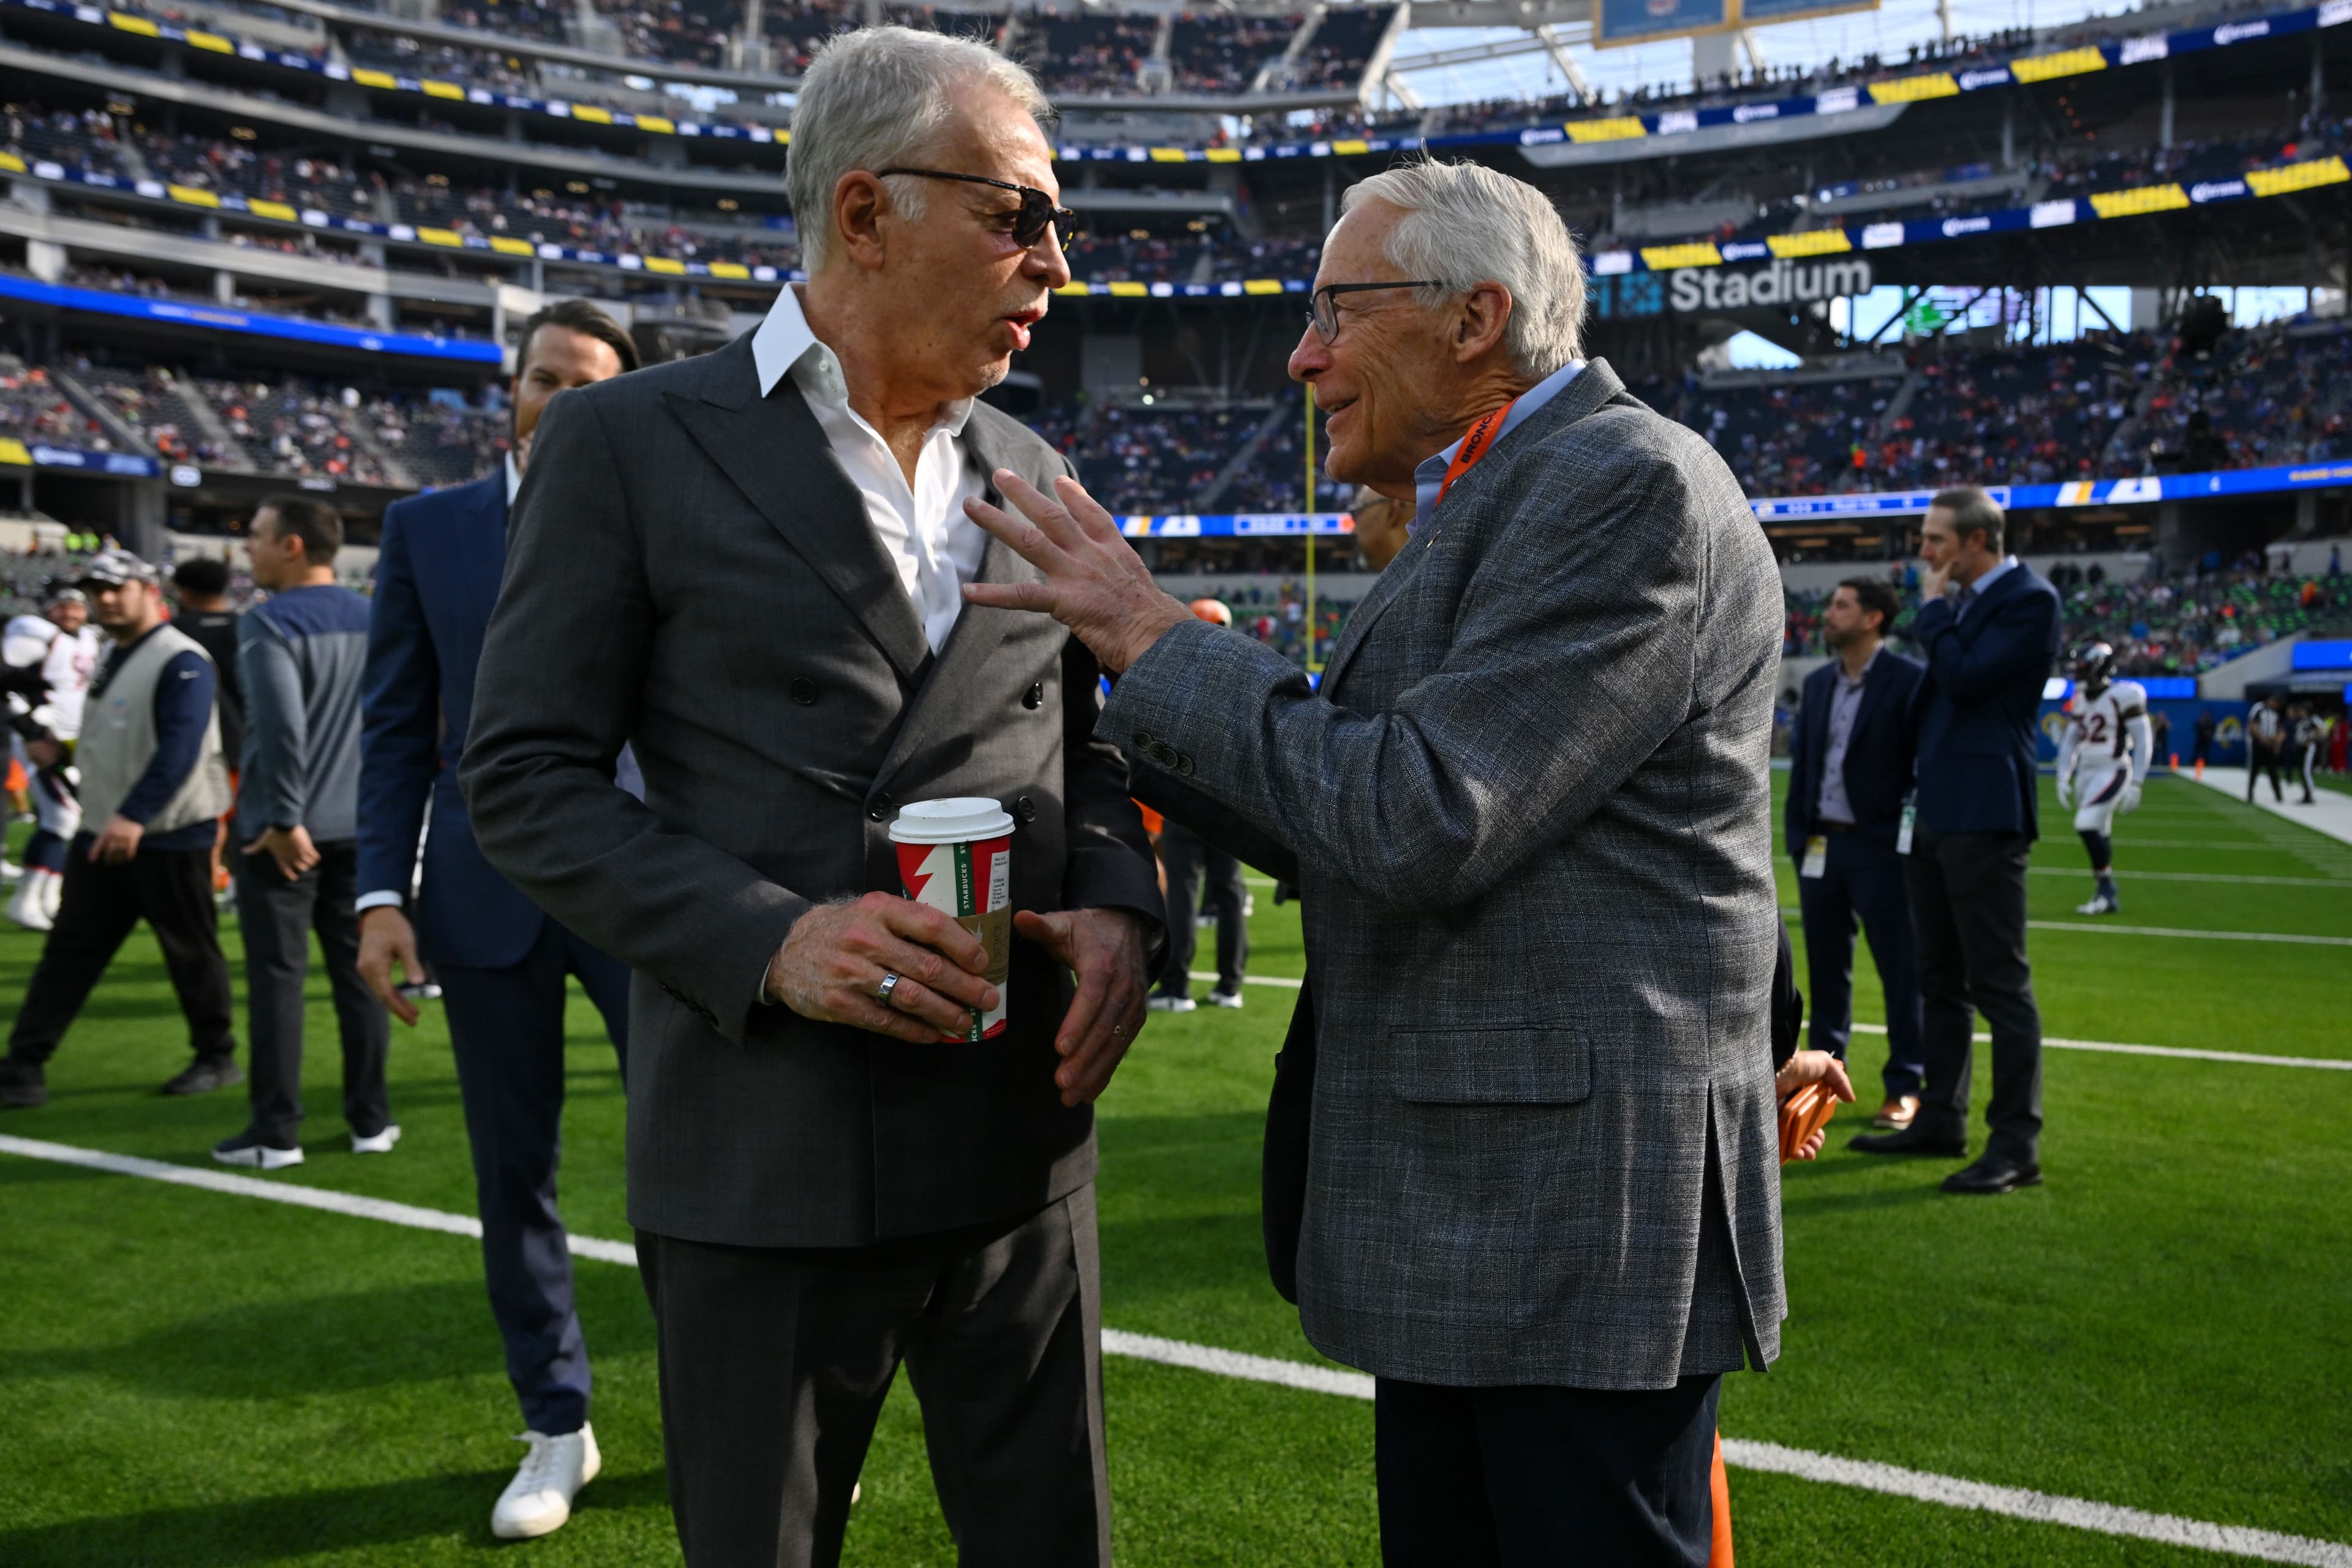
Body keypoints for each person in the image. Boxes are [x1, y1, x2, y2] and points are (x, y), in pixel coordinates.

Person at [962, 156, 1785, 1561]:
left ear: (1473, 319)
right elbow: (1343, 810)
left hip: (1566, 1229)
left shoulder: (1618, 482)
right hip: (1496, 1218)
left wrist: (1164, 645)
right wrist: (1103, 717)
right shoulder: (1504, 487)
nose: (1301, 354)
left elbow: (1418, 815)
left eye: (1336, 308)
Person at [456, 31, 1161, 1565]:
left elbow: (1093, 751)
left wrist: (1116, 900)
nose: (1055, 256)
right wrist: (770, 939)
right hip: (761, 1148)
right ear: (863, 212)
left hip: (1018, 1143)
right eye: (1016, 213)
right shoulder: (627, 441)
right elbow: (519, 774)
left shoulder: (1035, 464)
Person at [354, 299, 641, 1541]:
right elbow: (394, 725)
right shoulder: (426, 529)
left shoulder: (663, 510)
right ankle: (556, 1421)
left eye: (591, 382)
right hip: (481, 893)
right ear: (511, 388)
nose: (564, 397)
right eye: (546, 377)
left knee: (706, 1155)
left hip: (650, 884)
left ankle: (742, 1408)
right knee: (511, 1174)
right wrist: (377, 893)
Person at [1850, 488, 2060, 1196]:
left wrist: (1936, 610)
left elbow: (1968, 679)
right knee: (1937, 979)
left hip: (1987, 809)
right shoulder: (1964, 610)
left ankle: (2016, 1143)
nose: (1924, 553)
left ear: (1977, 542)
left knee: (1999, 983)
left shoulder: (2031, 601)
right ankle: (1941, 1116)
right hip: (1935, 811)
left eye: (1936, 539)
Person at [0, 551, 238, 1110]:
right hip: (106, 830)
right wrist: (53, 748)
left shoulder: (182, 657)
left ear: (148, 589)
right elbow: (118, 738)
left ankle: (216, 1055)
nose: (104, 599)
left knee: (191, 952)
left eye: (115, 588)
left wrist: (136, 815)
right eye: (95, 590)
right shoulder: (115, 653)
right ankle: (23, 1064)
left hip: (168, 833)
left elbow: (180, 747)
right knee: (68, 953)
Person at [209, 498, 391, 1169]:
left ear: (290, 545)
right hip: (363, 826)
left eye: (253, 536)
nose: (245, 549)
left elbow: (282, 729)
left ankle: (275, 1129)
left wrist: (284, 817)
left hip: (285, 834)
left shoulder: (266, 622)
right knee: (360, 976)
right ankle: (371, 1118)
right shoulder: (377, 616)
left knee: (279, 981)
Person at [1784, 577, 1926, 1129]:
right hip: (1821, 845)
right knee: (1825, 973)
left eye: (1842, 605)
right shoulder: (1818, 684)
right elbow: (1806, 767)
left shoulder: (1908, 680)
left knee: (1900, 970)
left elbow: (1919, 769)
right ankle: (1822, 1081)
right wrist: (1799, 837)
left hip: (1881, 848)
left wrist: (1902, 840)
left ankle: (1904, 1086)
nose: (1829, 613)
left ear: (1873, 618)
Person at [1149, 599, 1251, 1013]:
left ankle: (1176, 986)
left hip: (1185, 803)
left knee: (1183, 897)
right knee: (1228, 898)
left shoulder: (1174, 675)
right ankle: (1230, 986)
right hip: (1229, 806)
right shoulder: (1247, 674)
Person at [3, 582, 100, 930]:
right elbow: (5, 681)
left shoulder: (89, 637)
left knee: (70, 820)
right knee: (61, 818)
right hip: (43, 737)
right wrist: (30, 730)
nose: (71, 613)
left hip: (76, 738)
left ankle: (49, 897)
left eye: (76, 607)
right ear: (48, 610)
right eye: (63, 607)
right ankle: (26, 900)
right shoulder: (34, 634)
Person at [2053, 642, 2151, 918]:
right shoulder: (2082, 696)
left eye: (2083, 667)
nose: (2078, 673)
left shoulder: (2124, 695)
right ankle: (2105, 894)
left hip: (2113, 769)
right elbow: (2071, 739)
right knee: (2099, 831)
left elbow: (2144, 740)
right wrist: (2063, 775)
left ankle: (2106, 889)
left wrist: (2137, 783)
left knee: (2085, 824)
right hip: (2087, 770)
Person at [170, 556, 247, 900]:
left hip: (191, 741)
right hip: (244, 739)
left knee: (203, 819)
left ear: (183, 590)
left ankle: (208, 883)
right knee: (242, 821)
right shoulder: (247, 627)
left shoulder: (173, 633)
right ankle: (237, 884)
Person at [2245, 693, 2288, 803]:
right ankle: (2250, 794)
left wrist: (2277, 743)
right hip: (2258, 743)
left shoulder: (2275, 713)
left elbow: (2280, 730)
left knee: (2273, 770)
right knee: (2255, 770)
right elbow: (2252, 725)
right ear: (2271, 700)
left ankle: (2278, 794)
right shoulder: (2259, 708)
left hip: (2270, 744)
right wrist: (2262, 738)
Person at [2289, 702, 2321, 805]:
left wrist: (2309, 739)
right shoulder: (2303, 720)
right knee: (2302, 772)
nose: (2301, 711)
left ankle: (2309, 795)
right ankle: (2306, 794)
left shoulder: (2313, 719)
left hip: (2308, 748)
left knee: (2306, 771)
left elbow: (2321, 730)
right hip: (2301, 748)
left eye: (2303, 710)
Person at [2192, 707, 2215, 775]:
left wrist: (2208, 734)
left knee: (2206, 753)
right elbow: (2196, 727)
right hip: (2200, 740)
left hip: (2207, 741)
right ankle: (2193, 762)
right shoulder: (2200, 722)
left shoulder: (2211, 723)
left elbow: (2213, 730)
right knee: (2197, 752)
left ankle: (2206, 763)